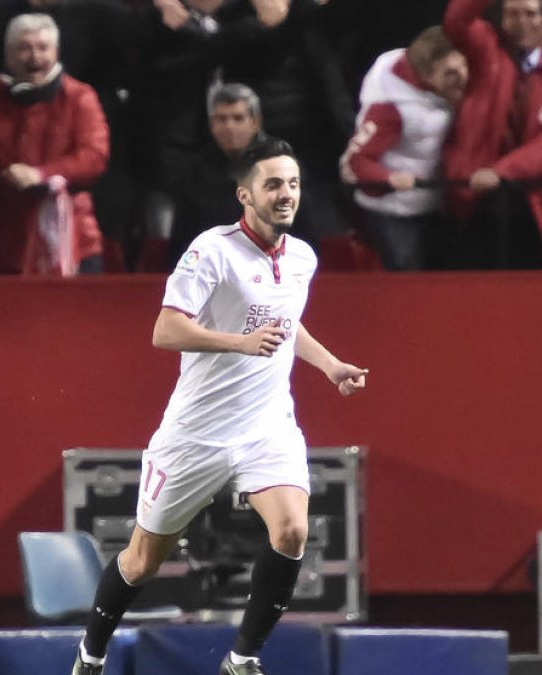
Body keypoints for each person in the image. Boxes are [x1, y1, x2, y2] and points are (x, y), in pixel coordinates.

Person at [71, 138, 368, 675]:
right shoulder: (213, 249)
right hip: (197, 433)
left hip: (266, 427)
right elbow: (166, 329)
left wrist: (330, 365)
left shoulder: (302, 257)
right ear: (245, 194)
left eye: (293, 183)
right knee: (141, 561)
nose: (286, 194)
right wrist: (238, 342)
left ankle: (242, 658)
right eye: (273, 184)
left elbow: (285, 322)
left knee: (293, 531)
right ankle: (91, 653)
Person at [0, 13, 109, 275]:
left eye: (43, 48)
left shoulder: (80, 97)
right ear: (8, 53)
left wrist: (41, 174)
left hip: (73, 240)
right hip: (1, 239)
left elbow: (94, 156)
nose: (34, 57)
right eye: (24, 48)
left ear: (56, 52)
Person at [341, 27, 468, 271]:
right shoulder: (389, 109)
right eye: (451, 73)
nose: (463, 76)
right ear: (426, 75)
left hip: (436, 201)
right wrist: (389, 178)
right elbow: (355, 162)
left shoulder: (429, 78)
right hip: (397, 212)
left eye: (463, 65)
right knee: (409, 284)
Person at [443, 0, 542, 268]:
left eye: (531, 14)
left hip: (532, 204)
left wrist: (502, 171)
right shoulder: (487, 46)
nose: (522, 23)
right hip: (476, 196)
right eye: (513, 14)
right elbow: (456, 19)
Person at [164, 83, 268, 269]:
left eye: (238, 118)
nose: (229, 126)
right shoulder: (194, 175)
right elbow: (182, 242)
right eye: (221, 119)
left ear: (255, 122)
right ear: (212, 125)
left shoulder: (279, 169)